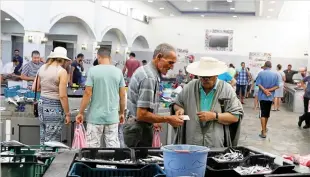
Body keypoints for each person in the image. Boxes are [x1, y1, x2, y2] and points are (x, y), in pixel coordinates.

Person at [172, 57, 243, 147]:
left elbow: (235, 117)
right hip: (192, 141)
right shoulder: (190, 87)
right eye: (202, 77)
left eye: (208, 77)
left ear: (216, 74)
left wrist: (214, 116)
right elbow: (177, 103)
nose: (205, 80)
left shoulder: (227, 89)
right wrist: (179, 109)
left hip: (215, 142)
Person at [123, 43, 184, 147]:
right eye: (170, 63)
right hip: (138, 130)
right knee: (141, 161)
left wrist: (154, 120)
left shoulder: (148, 72)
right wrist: (168, 119)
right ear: (159, 57)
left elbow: (144, 111)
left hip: (137, 126)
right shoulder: (149, 77)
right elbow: (141, 114)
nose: (171, 67)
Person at [75, 47, 126, 148]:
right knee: (113, 149)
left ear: (98, 56)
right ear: (110, 58)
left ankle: (92, 164)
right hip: (112, 117)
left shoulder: (92, 71)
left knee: (91, 150)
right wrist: (121, 113)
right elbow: (122, 95)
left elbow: (87, 93)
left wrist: (80, 112)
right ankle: (112, 164)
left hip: (95, 117)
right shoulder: (118, 72)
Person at [32, 47, 71, 145]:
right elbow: (62, 96)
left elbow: (35, 88)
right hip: (54, 106)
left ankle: (41, 158)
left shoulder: (42, 67)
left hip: (41, 103)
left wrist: (47, 88)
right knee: (52, 138)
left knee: (43, 134)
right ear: (63, 59)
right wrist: (67, 113)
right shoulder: (62, 72)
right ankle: (49, 159)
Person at [256, 61, 279, 138]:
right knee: (267, 114)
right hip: (270, 97)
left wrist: (265, 90)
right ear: (271, 66)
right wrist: (269, 90)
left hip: (262, 97)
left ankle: (263, 132)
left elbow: (258, 84)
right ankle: (264, 128)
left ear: (265, 66)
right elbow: (277, 86)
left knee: (262, 114)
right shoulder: (275, 74)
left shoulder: (261, 73)